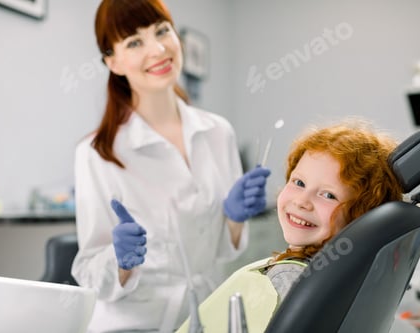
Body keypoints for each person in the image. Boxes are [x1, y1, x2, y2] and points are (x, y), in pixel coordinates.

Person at [70, 0, 271, 332]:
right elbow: (90, 272)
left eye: (162, 31)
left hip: (205, 315)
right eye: (134, 42)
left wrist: (234, 219)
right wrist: (120, 261)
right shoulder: (97, 152)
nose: (158, 49)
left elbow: (223, 251)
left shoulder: (218, 133)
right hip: (132, 324)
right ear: (113, 61)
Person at [177, 119, 405, 333]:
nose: (301, 201)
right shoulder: (339, 277)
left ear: (362, 216)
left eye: (328, 195)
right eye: (298, 182)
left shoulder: (289, 280)